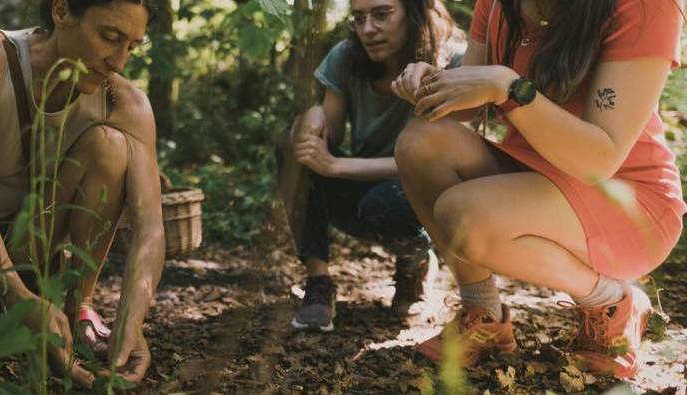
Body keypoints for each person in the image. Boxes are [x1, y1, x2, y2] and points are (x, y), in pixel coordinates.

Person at [391, 0, 684, 378]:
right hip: (536, 170)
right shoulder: (498, 5)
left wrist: (508, 87)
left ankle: (611, 303)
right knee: (420, 142)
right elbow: (467, 101)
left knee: (465, 216)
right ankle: (485, 314)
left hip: (628, 198)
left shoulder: (646, 7)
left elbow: (600, 158)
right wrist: (430, 83)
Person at [0, 0, 166, 386]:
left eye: (132, 46)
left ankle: (75, 309)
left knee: (112, 147)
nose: (119, 61)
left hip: (34, 233)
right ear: (62, 11)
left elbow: (150, 227)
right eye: (109, 37)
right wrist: (16, 296)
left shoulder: (127, 105)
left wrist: (132, 323)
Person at [278, 0, 465, 331]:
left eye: (381, 14)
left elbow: (438, 163)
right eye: (358, 18)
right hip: (361, 189)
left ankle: (414, 266)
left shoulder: (452, 58)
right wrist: (313, 119)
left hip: (421, 199)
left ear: (413, 11)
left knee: (387, 203)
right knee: (289, 145)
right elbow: (330, 130)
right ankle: (318, 283)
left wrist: (336, 166)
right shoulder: (346, 56)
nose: (367, 30)